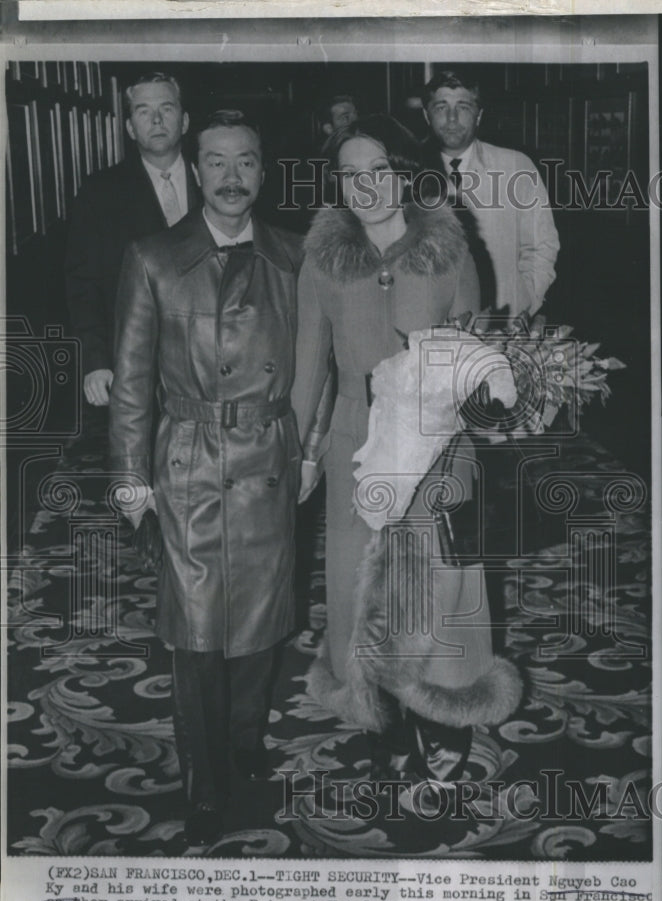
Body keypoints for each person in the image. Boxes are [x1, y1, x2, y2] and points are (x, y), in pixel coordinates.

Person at [292, 114, 522, 784]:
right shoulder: (321, 258)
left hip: (435, 441)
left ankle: (436, 708)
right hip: (353, 442)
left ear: (406, 173)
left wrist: (492, 412)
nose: (366, 186)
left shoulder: (448, 249)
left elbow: (476, 352)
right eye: (351, 174)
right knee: (357, 579)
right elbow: (308, 369)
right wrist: (298, 456)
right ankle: (378, 713)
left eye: (380, 170)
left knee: (434, 582)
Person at [109, 109, 303, 846]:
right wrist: (130, 481)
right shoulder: (154, 257)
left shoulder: (293, 255)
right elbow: (130, 384)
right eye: (216, 162)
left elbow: (318, 369)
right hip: (187, 462)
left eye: (245, 162)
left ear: (262, 171)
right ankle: (203, 778)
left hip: (269, 461)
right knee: (194, 633)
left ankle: (246, 752)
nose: (231, 177)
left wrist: (309, 449)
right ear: (195, 171)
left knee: (261, 625)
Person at [66, 71, 201, 409]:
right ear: (130, 128)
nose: (156, 119)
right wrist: (96, 361)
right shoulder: (101, 192)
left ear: (184, 121)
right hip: (138, 363)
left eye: (166, 108)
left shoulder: (214, 179)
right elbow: (84, 282)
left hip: (209, 360)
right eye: (143, 111)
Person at [422, 69, 560, 318]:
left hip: (505, 320)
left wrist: (526, 300)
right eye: (441, 107)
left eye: (463, 107)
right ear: (426, 115)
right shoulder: (406, 174)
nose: (452, 118)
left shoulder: (517, 167)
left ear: (479, 115)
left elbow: (542, 245)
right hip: (433, 324)